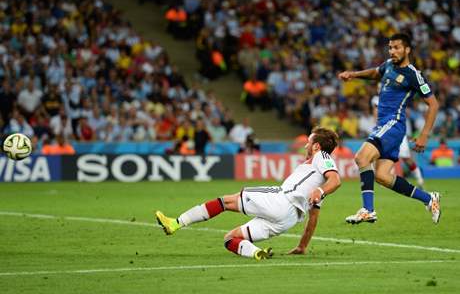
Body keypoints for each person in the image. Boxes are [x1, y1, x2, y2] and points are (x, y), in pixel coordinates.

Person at [156, 127, 341, 260]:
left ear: (316, 146)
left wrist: (320, 190)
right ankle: (255, 253)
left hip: (281, 201)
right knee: (230, 239)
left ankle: (176, 223)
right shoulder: (315, 180)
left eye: (309, 142)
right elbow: (313, 218)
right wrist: (302, 246)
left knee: (225, 202)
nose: (306, 145)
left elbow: (336, 179)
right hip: (288, 220)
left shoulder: (322, 157)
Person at [338, 33, 441, 224]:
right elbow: (375, 73)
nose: (392, 51)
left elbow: (433, 104)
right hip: (383, 124)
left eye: (397, 48)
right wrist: (354, 74)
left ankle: (368, 210)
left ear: (407, 50)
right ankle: (429, 199)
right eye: (390, 48)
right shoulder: (388, 65)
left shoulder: (413, 75)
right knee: (382, 177)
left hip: (393, 123)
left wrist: (424, 135)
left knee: (361, 157)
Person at [371, 95, 424, 187]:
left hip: (396, 130)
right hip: (384, 131)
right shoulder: (376, 99)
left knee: (406, 158)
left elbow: (406, 112)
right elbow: (375, 113)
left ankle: (419, 177)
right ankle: (381, 178)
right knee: (379, 154)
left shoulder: (393, 95)